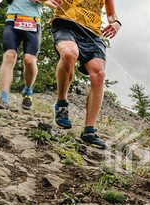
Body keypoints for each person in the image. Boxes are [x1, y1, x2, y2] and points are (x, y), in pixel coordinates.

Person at [51, 0, 121, 149]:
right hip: (65, 24)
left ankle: (89, 131)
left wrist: (116, 23)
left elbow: (111, 14)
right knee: (69, 54)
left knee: (99, 74)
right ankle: (61, 104)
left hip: (92, 34)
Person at [0, 0, 62, 110]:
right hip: (13, 22)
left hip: (33, 24)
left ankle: (28, 90)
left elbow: (57, 4)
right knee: (9, 56)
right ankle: (4, 98)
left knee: (30, 60)